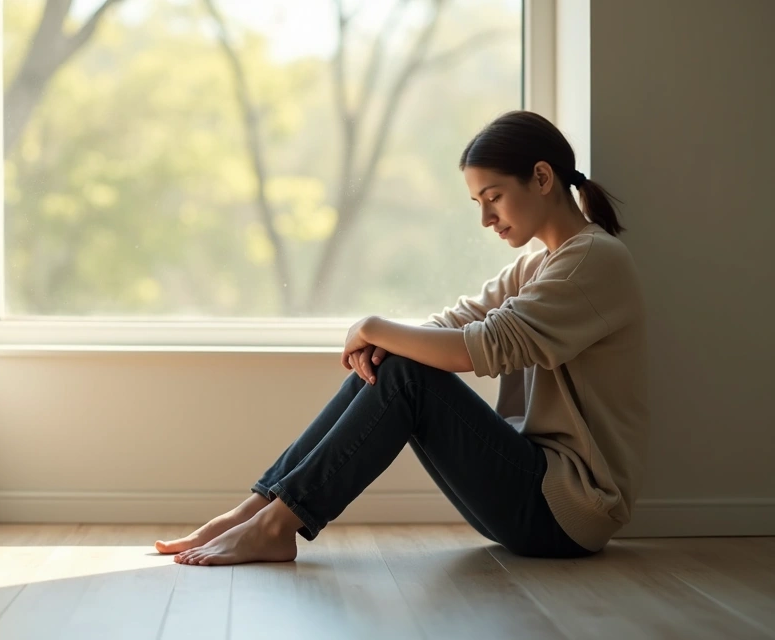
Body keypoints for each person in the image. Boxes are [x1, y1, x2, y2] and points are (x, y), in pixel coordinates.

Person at [156, 110, 648, 565]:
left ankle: (276, 523)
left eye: (494, 197)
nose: (486, 218)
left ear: (541, 178)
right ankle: (260, 509)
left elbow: (481, 347)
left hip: (568, 512)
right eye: (478, 203)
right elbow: (456, 322)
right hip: (530, 495)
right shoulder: (536, 265)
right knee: (400, 362)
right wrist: (385, 344)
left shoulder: (594, 261)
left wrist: (372, 328)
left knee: (409, 373)